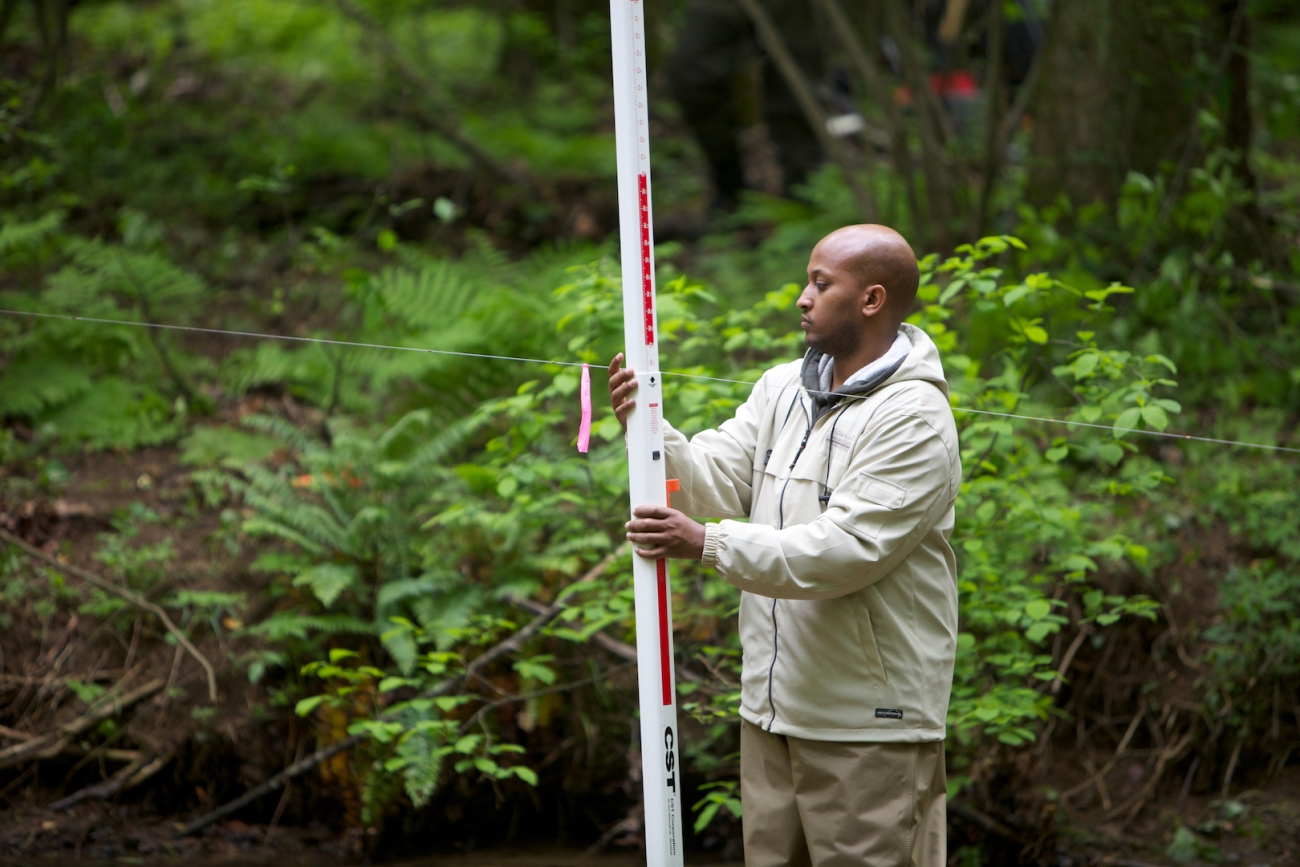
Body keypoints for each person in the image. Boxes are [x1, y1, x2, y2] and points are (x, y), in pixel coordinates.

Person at [608, 224, 960, 866]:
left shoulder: (913, 418)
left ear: (872, 300)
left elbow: (844, 550)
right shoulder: (781, 388)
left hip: (867, 726)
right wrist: (650, 432)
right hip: (770, 713)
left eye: (821, 285)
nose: (803, 297)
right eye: (807, 282)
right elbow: (712, 481)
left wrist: (708, 544)